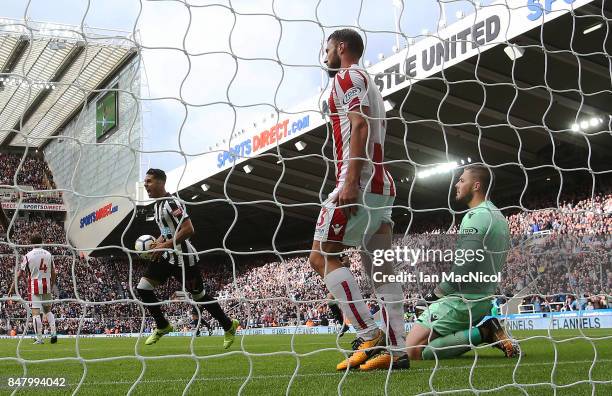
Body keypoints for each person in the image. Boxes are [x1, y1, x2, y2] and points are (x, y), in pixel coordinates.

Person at [309, 28, 408, 371]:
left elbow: (360, 126)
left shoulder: (347, 75)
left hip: (360, 182)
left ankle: (369, 334)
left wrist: (350, 181)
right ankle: (396, 351)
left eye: (327, 49)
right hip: (383, 185)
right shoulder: (370, 82)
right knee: (380, 268)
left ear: (341, 47)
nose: (325, 56)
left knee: (321, 257)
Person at [405, 165, 519, 360]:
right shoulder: (498, 216)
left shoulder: (476, 216)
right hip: (482, 299)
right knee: (424, 346)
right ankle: (483, 331)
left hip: (462, 302)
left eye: (462, 180)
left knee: (412, 351)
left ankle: (484, 332)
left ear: (476, 186)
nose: (457, 184)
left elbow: (465, 266)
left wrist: (434, 296)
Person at [138, 168, 239, 346]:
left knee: (199, 297)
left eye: (149, 181)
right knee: (143, 288)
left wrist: (164, 245)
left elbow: (188, 229)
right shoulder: (157, 205)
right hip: (168, 257)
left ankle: (229, 325)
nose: (145, 185)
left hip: (184, 259)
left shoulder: (172, 203)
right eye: (145, 182)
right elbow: (168, 232)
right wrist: (158, 244)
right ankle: (162, 325)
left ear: (161, 183)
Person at [8, 233, 58, 344]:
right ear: (42, 242)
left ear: (31, 243)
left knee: (35, 313)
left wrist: (12, 288)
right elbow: (54, 272)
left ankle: (39, 338)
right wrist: (52, 284)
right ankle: (54, 333)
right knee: (47, 310)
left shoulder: (28, 255)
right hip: (47, 285)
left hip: (34, 285)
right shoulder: (48, 254)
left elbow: (20, 273)